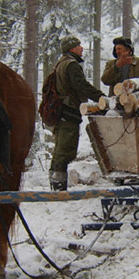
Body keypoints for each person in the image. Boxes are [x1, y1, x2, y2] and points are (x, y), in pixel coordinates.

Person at [49, 35, 104, 191]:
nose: (82, 48)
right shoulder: (71, 65)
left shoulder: (61, 63)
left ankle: (54, 185)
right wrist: (100, 97)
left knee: (59, 148)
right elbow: (81, 85)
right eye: (79, 46)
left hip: (62, 111)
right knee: (65, 150)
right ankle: (59, 189)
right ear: (72, 48)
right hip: (69, 111)